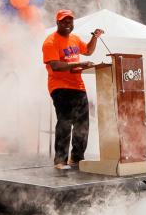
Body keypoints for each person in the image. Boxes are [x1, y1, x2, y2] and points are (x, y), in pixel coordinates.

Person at [42, 9, 103, 171]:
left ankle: (76, 158)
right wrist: (78, 64)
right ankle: (60, 160)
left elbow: (88, 51)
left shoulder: (75, 39)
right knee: (65, 121)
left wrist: (95, 37)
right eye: (64, 21)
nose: (68, 24)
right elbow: (55, 66)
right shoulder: (50, 42)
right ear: (57, 23)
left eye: (70, 21)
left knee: (82, 123)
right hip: (60, 87)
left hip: (78, 85)